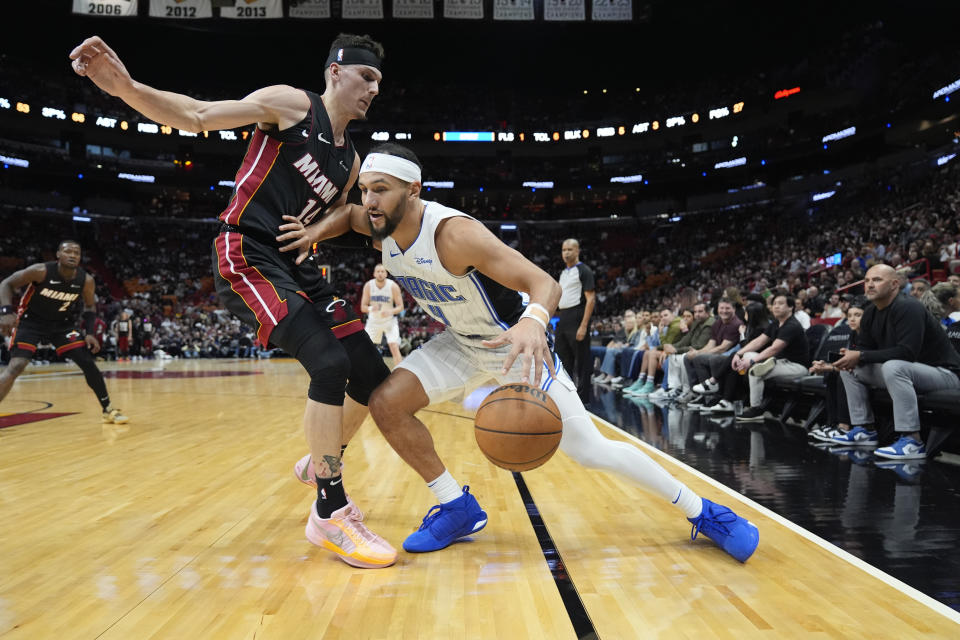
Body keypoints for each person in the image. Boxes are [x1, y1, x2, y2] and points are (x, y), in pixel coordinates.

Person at [283, 144, 759, 563]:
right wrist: (313, 235)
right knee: (386, 402)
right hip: (461, 343)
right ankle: (456, 507)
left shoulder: (453, 234)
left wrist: (533, 323)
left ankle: (706, 513)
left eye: (380, 189)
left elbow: (544, 284)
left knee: (589, 449)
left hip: (514, 342)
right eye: (365, 189)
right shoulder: (375, 219)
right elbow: (346, 215)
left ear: (414, 189)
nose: (368, 201)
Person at [70, 34, 396, 568]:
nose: (373, 90)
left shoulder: (351, 161)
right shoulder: (293, 105)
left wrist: (315, 231)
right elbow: (197, 115)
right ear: (336, 72)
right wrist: (125, 88)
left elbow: (337, 213)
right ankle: (329, 513)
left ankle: (319, 460)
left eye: (379, 82)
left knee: (369, 373)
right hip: (246, 251)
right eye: (367, 77)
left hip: (296, 263)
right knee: (329, 363)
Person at [832, 265, 960, 458]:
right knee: (850, 369)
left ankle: (912, 440)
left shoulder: (908, 306)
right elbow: (864, 352)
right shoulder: (871, 314)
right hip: (909, 373)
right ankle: (864, 430)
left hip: (945, 375)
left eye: (877, 280)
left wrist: (860, 356)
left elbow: (907, 353)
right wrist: (845, 360)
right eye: (867, 281)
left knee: (893, 366)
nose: (870, 285)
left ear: (894, 284)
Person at [0, 240, 128, 424]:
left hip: (62, 325)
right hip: (30, 322)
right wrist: (5, 311)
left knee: (87, 361)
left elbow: (90, 306)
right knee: (17, 365)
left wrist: (90, 333)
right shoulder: (40, 270)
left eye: (77, 252)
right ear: (58, 254)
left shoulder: (86, 280)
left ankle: (108, 409)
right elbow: (6, 283)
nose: (73, 255)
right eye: (68, 251)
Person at [556, 238, 596, 399]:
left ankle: (584, 399)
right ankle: (567, 396)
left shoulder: (584, 270)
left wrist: (584, 326)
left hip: (577, 317)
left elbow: (591, 299)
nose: (566, 253)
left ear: (577, 251)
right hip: (563, 317)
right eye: (564, 250)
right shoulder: (563, 273)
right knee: (562, 358)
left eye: (569, 250)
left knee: (582, 361)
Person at [361, 263, 404, 364]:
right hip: (373, 321)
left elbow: (401, 306)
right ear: (374, 274)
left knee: (394, 346)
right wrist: (371, 308)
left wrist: (391, 311)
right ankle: (365, 373)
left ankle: (399, 373)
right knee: (366, 348)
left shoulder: (393, 286)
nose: (380, 273)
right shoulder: (368, 286)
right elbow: (363, 307)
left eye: (382, 271)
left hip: (389, 321)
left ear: (386, 274)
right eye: (378, 271)